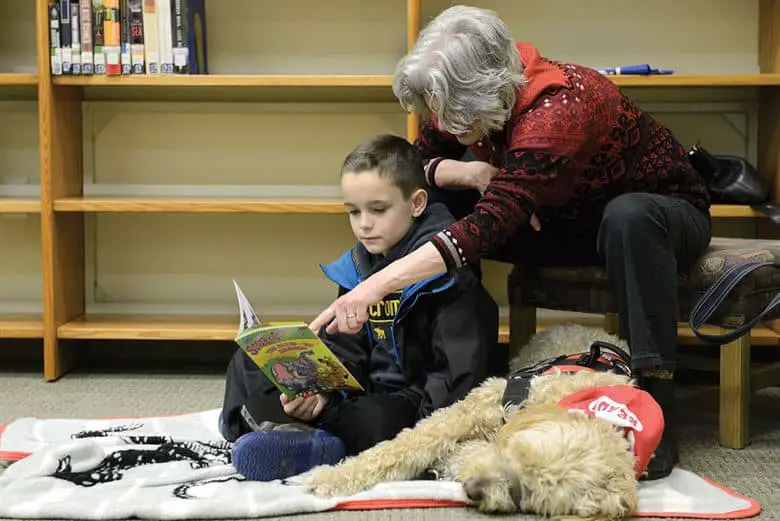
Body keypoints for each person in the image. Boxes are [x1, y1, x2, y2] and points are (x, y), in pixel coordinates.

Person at [308, 5, 713, 481]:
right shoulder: (467, 93)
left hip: (657, 223)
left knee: (628, 217)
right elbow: (418, 166)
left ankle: (655, 403)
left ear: (487, 90)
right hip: (558, 222)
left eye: (450, 113)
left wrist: (373, 286)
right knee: (427, 196)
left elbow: (489, 226)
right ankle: (446, 380)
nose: (442, 121)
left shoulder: (560, 108)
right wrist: (469, 170)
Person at [220, 133, 501, 481]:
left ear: (416, 203)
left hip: (411, 405)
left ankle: (314, 443)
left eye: (378, 210)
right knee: (249, 363)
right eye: (353, 211)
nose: (363, 224)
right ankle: (275, 432)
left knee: (374, 419)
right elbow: (344, 350)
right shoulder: (359, 265)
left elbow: (458, 376)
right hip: (359, 394)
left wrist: (425, 436)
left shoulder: (448, 272)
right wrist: (321, 394)